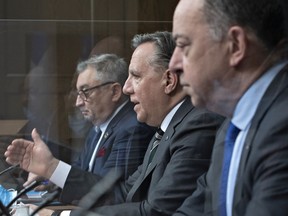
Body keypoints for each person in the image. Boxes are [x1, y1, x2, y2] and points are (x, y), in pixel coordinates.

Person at [5, 31, 224, 216]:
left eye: (135, 76)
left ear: (168, 81)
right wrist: (52, 170)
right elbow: (126, 192)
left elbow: (156, 211)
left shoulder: (196, 125)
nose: (128, 88)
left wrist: (61, 215)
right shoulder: (165, 129)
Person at [169, 0, 288, 215]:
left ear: (235, 45)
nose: (173, 64)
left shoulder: (282, 127)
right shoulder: (231, 127)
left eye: (184, 46)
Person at [23, 54, 157, 189]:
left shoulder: (132, 129)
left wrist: (51, 168)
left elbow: (109, 192)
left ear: (115, 92)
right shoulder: (97, 128)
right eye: (78, 93)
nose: (78, 102)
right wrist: (52, 180)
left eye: (85, 92)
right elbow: (81, 171)